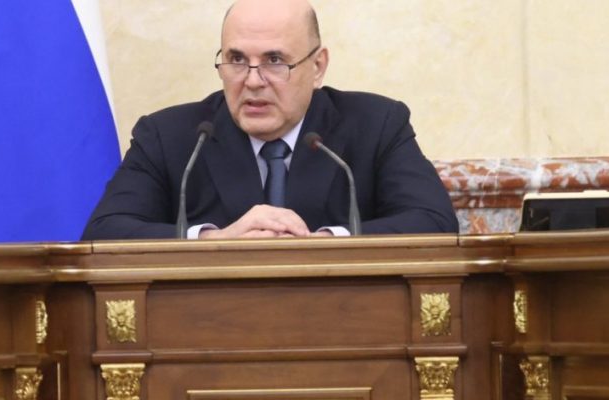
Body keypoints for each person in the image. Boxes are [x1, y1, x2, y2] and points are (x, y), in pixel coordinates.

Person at [82, 0, 458, 240]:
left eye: (275, 61)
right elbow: (104, 232)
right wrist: (216, 240)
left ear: (317, 66)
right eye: (237, 59)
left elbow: (435, 222)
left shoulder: (376, 124)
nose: (252, 81)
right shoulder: (171, 136)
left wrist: (327, 242)